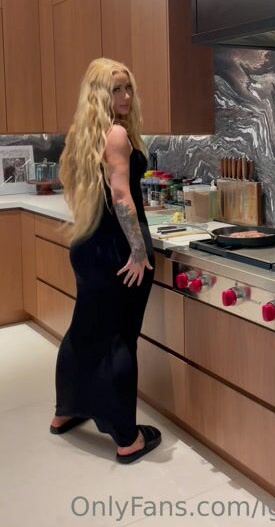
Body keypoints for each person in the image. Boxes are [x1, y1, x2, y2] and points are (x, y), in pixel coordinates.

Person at [49, 57, 161, 463]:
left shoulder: (83, 134)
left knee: (84, 331)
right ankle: (127, 438)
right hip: (118, 249)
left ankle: (66, 411)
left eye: (128, 88)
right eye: (116, 89)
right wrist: (137, 250)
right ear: (100, 94)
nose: (126, 96)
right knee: (119, 339)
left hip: (88, 246)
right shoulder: (115, 134)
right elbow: (121, 195)